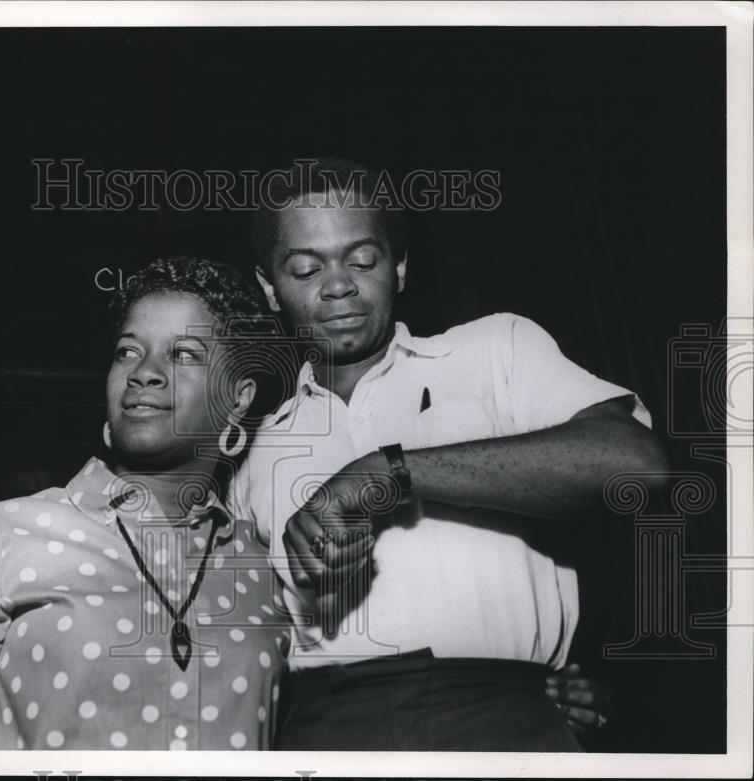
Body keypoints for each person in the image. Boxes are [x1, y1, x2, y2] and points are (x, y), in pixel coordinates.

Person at [228, 159, 664, 750]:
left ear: (401, 266)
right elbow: (246, 649)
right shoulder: (256, 453)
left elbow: (637, 465)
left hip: (505, 721)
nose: (337, 285)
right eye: (305, 269)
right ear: (269, 288)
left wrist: (386, 473)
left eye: (362, 260)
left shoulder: (494, 351)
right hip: (326, 732)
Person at [0, 257, 290, 750]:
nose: (145, 373)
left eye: (183, 354)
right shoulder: (11, 534)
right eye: (127, 352)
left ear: (239, 395)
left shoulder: (261, 562)